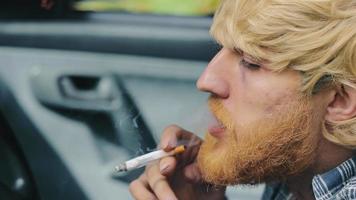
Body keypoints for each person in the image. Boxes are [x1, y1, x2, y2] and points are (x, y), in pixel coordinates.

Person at [129, 0, 356, 199]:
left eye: (251, 62)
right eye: (221, 49)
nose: (206, 80)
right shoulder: (295, 174)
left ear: (340, 101)